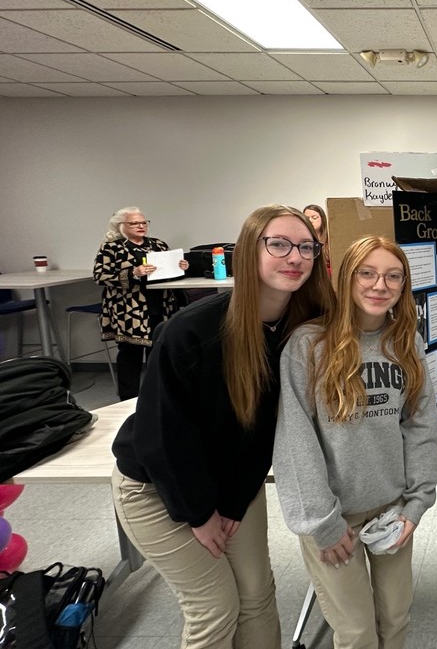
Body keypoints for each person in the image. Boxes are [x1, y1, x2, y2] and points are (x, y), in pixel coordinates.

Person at [110, 205, 334, 649]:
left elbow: (261, 434)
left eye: (306, 246)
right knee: (215, 608)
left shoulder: (304, 329)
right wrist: (199, 512)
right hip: (158, 488)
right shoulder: (191, 330)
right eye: (279, 244)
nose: (295, 257)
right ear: (249, 252)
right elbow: (163, 437)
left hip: (233, 484)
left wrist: (231, 500)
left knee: (256, 597)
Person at [274, 235, 437, 649]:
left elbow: (419, 427)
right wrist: (323, 524)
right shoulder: (308, 346)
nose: (379, 285)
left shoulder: (406, 344)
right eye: (367, 273)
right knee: (357, 633)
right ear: (346, 277)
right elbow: (296, 442)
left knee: (395, 619)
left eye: (393, 276)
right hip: (333, 518)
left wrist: (416, 505)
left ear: (404, 287)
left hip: (391, 510)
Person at [93, 207, 190, 400]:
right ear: (121, 226)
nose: (141, 226)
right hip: (129, 310)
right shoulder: (112, 247)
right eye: (134, 223)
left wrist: (182, 268)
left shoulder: (158, 245)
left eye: (144, 222)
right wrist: (133, 273)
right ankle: (128, 401)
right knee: (130, 356)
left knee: (159, 355)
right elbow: (100, 276)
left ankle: (157, 398)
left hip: (161, 305)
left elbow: (170, 274)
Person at [303, 203, 331, 273]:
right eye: (307, 218)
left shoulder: (330, 239)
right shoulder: (300, 239)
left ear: (322, 219)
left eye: (314, 217)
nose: (310, 221)